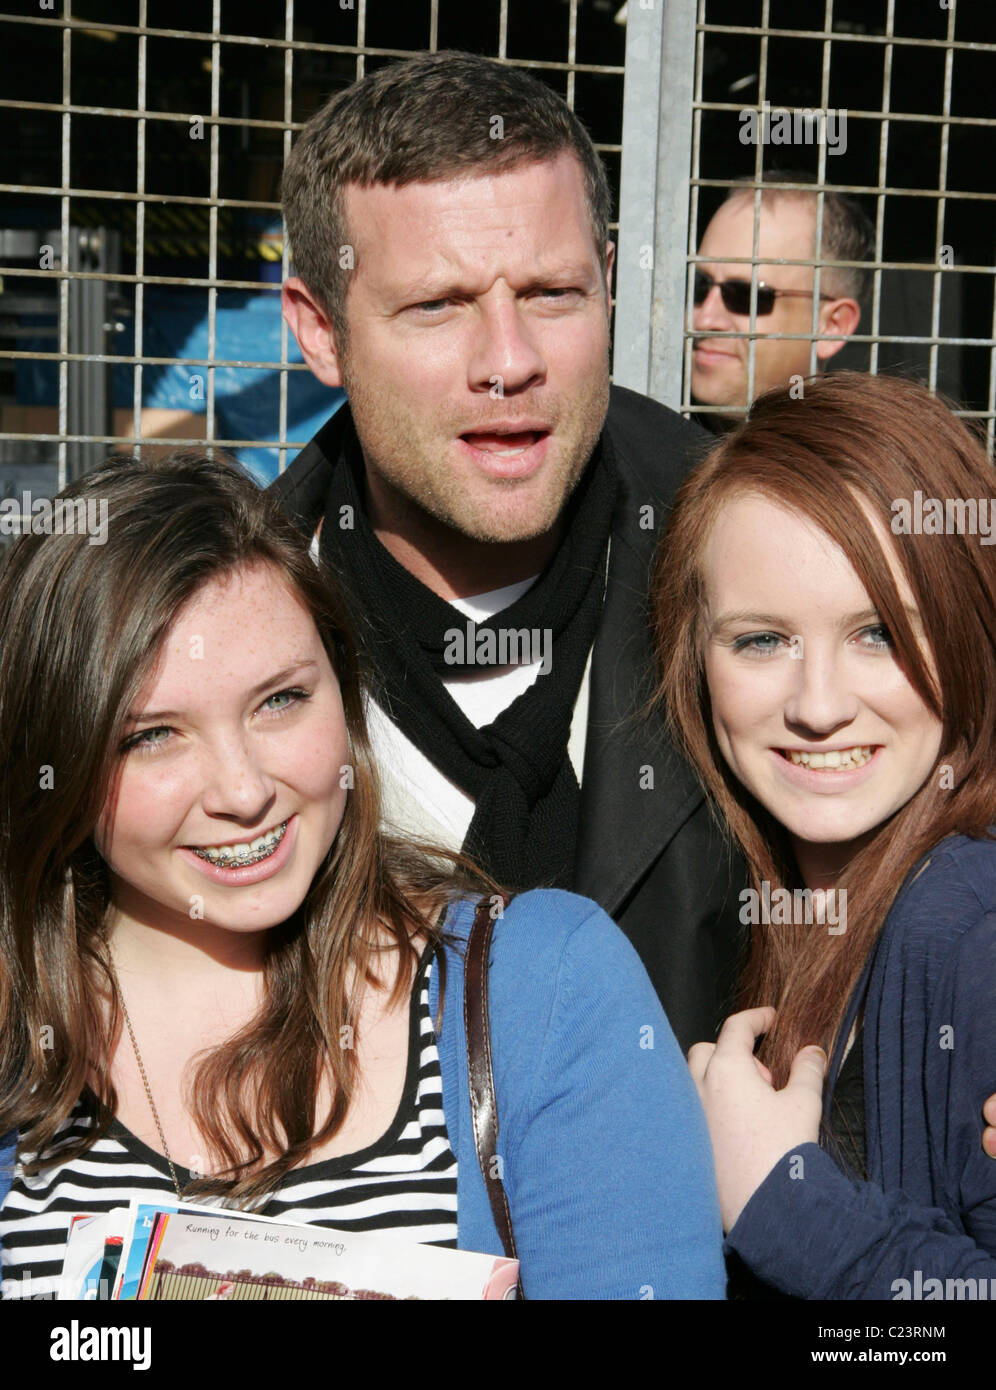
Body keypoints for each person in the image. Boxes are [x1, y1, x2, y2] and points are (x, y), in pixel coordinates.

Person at [0, 452, 725, 1301]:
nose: (244, 790)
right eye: (152, 735)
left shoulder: (549, 987)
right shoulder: (20, 1026)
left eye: (280, 701)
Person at [271, 50, 744, 1055]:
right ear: (320, 331)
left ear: (608, 284)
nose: (508, 363)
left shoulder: (764, 574)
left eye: (552, 294)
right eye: (437, 306)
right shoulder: (203, 643)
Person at [650, 371, 996, 1297]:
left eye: (878, 633)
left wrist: (784, 1200)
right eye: (761, 640)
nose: (819, 706)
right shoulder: (782, 909)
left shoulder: (969, 924)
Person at [690, 174, 872, 426]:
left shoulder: (856, 463)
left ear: (832, 326)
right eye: (700, 286)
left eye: (747, 296)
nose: (704, 318)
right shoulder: (636, 438)